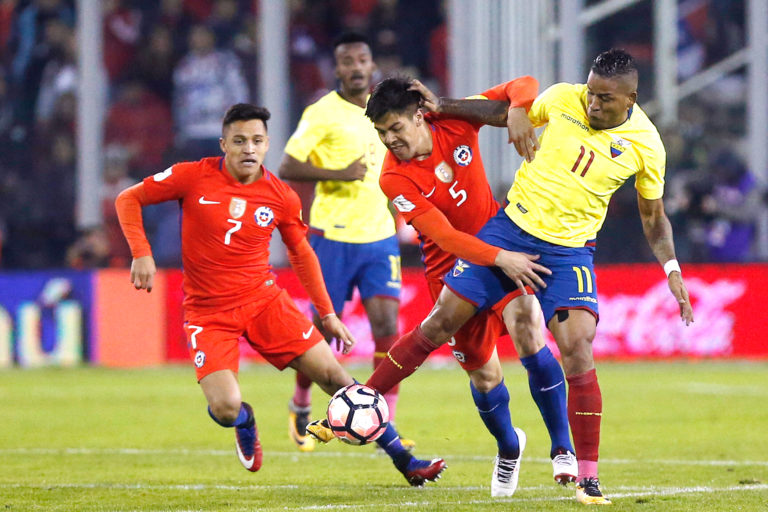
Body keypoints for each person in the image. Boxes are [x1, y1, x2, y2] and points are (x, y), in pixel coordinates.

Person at [360, 50, 695, 505]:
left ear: (631, 98)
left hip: (570, 248)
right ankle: (364, 400)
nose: (592, 104)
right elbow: (504, 106)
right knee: (445, 331)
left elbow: (653, 218)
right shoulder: (563, 100)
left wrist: (671, 268)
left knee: (572, 343)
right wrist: (507, 111)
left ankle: (582, 469)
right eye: (590, 93)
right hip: (508, 230)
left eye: (603, 99)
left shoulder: (647, 145)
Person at [114, 103, 446, 486]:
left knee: (337, 378)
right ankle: (244, 419)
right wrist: (141, 252)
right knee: (224, 408)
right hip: (208, 313)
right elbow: (128, 198)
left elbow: (302, 254)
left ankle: (405, 460)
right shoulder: (193, 176)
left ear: (267, 144)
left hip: (264, 303)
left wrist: (327, 314)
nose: (248, 149)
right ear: (224, 144)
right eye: (239, 141)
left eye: (256, 140)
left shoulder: (280, 196)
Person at [307, 76, 577, 498]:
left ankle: (563, 448)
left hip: (500, 245)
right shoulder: (394, 178)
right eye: (381, 133)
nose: (390, 140)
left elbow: (523, 85)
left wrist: (520, 111)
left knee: (528, 324)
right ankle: (509, 447)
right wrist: (500, 258)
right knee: (485, 377)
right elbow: (446, 238)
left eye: (395, 128)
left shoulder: (455, 120)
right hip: (452, 270)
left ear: (419, 116)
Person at [278, 33, 407, 453]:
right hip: (332, 236)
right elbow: (286, 165)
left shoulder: (384, 111)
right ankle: (301, 401)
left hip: (379, 236)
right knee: (323, 332)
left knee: (387, 326)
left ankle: (384, 420)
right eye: (347, 60)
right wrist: (337, 173)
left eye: (362, 58)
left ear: (372, 65)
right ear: (337, 69)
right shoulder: (322, 112)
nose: (355, 66)